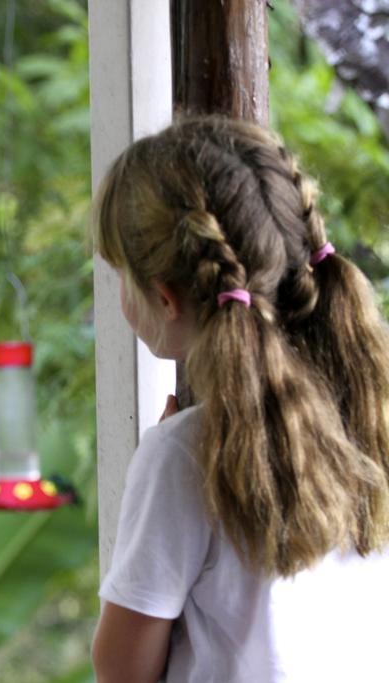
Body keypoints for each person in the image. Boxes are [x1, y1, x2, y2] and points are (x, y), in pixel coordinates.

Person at [89, 116, 389, 682]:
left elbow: (121, 668)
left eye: (120, 277)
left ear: (164, 298)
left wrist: (169, 450)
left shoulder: (182, 456)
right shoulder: (371, 409)